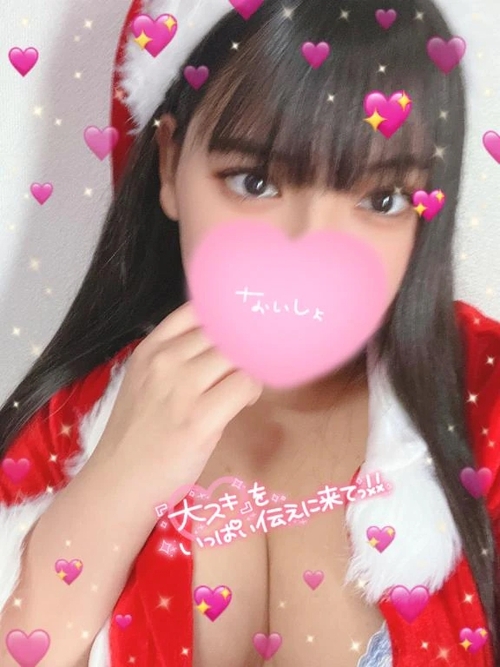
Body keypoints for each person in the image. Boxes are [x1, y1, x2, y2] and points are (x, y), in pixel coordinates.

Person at [0, 0, 499, 665]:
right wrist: (115, 486)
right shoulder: (69, 427)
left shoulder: (484, 399)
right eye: (256, 181)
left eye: (381, 199)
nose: (308, 249)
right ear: (171, 165)